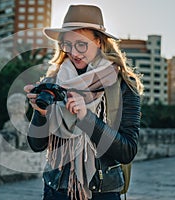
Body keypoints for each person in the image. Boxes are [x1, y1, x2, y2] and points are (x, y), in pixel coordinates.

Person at [24, 4, 143, 200]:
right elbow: (36, 145)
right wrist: (40, 113)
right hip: (56, 190)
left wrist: (86, 118)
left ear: (99, 42)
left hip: (103, 193)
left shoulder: (123, 86)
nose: (74, 52)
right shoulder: (53, 81)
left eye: (81, 44)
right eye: (67, 45)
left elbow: (127, 151)